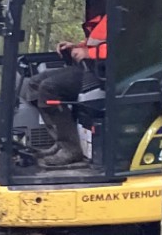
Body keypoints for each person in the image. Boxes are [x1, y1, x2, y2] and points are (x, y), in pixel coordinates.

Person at [19, 12, 106, 167]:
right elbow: (97, 42)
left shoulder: (129, 13)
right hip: (89, 67)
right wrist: (76, 47)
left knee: (49, 88)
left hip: (104, 73)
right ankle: (61, 141)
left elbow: (125, 48)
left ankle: (70, 149)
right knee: (34, 84)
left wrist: (89, 53)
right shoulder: (111, 13)